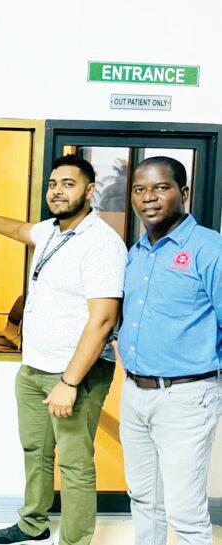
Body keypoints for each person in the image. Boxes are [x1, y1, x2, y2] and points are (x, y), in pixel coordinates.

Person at [0, 154, 128, 545]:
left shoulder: (101, 243)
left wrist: (69, 383)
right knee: (36, 451)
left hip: (75, 373)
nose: (57, 191)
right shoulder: (51, 231)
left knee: (74, 463)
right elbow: (18, 229)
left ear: (90, 191)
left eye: (69, 184)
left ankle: (74, 541)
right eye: (53, 184)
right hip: (35, 368)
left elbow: (103, 321)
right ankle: (33, 523)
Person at [118, 156, 222, 545]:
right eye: (140, 189)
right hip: (135, 392)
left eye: (161, 188)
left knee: (185, 512)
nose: (149, 197)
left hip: (186, 396)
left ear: (184, 193)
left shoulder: (210, 249)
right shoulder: (137, 252)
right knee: (144, 498)